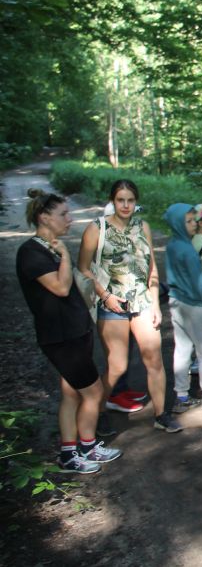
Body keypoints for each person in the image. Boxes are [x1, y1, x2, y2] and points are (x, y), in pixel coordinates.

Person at [17, 189, 122, 473]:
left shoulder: (48, 248)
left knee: (72, 394)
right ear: (44, 217)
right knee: (94, 392)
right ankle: (86, 447)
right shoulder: (31, 252)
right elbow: (61, 287)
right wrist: (65, 254)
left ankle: (69, 452)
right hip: (62, 338)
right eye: (63, 214)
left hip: (75, 332)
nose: (70, 219)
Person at [77, 179, 179, 433]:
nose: (125, 205)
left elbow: (151, 268)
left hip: (142, 301)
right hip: (112, 304)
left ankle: (161, 414)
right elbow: (83, 268)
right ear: (112, 201)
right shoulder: (97, 228)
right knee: (118, 366)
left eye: (130, 200)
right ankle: (98, 410)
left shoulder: (142, 227)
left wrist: (155, 304)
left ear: (136, 201)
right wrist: (105, 296)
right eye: (120, 200)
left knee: (154, 358)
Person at [164, 203, 202, 412]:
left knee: (182, 349)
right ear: (178, 224)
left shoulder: (172, 246)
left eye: (193, 220)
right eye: (188, 221)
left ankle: (181, 395)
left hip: (176, 302)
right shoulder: (188, 250)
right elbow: (200, 285)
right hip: (195, 305)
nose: (194, 224)